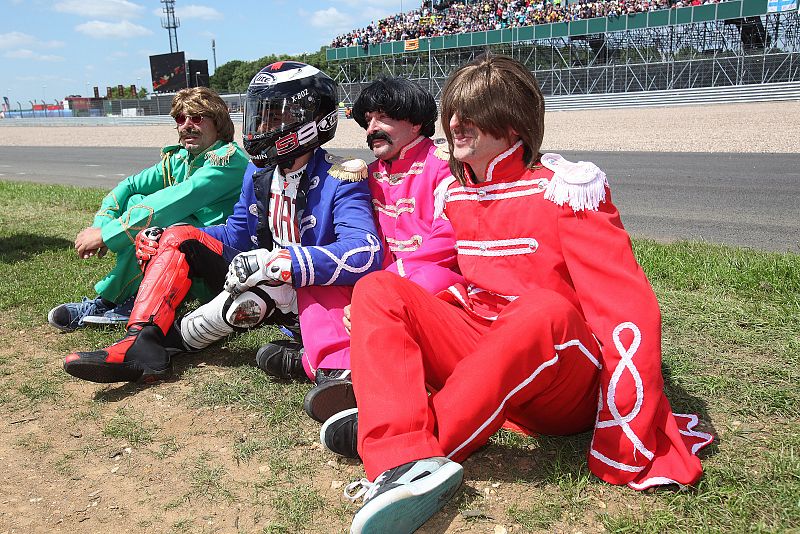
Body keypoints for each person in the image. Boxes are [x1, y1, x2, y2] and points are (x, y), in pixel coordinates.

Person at [322, 54, 714, 534]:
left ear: (512, 124)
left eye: (472, 114)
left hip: (562, 380)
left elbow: (625, 308)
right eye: (453, 112)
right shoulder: (459, 195)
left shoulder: (567, 190)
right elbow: (446, 275)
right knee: (379, 287)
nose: (455, 124)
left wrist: (628, 421)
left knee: (541, 309)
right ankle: (397, 451)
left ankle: (410, 446)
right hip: (486, 351)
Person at [61, 61, 382, 384]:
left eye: (274, 115)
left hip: (313, 291)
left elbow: (365, 250)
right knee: (178, 236)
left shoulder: (341, 175)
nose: (262, 125)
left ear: (310, 119)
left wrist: (280, 262)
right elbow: (235, 235)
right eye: (261, 114)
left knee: (240, 308)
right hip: (266, 282)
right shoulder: (258, 173)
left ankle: (325, 365)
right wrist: (168, 237)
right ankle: (141, 343)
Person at [257, 76, 462, 425]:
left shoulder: (446, 165)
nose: (372, 128)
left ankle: (311, 359)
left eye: (383, 117)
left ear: (415, 120)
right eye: (368, 120)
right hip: (378, 279)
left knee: (428, 277)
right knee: (319, 268)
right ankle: (338, 371)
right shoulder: (360, 174)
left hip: (430, 278)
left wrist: (381, 287)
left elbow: (447, 241)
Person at [47, 87, 248, 331]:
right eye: (180, 119)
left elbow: (173, 201)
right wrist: (100, 224)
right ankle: (126, 297)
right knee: (137, 201)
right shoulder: (182, 158)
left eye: (196, 118)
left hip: (222, 267)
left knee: (161, 223)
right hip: (190, 255)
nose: (186, 125)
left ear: (218, 123)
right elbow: (129, 186)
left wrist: (107, 236)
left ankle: (118, 301)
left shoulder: (227, 160)